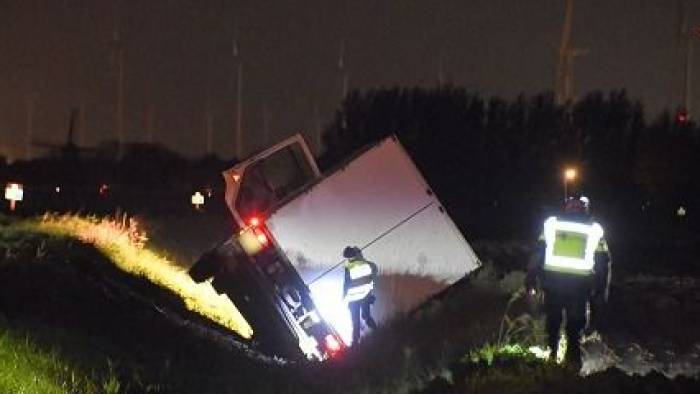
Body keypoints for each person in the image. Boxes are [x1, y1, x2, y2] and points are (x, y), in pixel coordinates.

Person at [525, 196, 612, 370]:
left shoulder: (551, 224)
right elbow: (603, 262)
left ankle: (551, 357)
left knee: (553, 321)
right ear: (585, 209)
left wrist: (531, 276)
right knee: (575, 324)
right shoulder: (594, 229)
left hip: (553, 282)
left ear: (565, 208)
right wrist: (600, 289)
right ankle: (572, 362)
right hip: (579, 286)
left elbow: (538, 252)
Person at [342, 246, 378, 345]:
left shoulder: (362, 265)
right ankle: (355, 342)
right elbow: (347, 282)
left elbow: (347, 282)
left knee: (362, 318)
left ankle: (357, 342)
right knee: (360, 319)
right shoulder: (357, 265)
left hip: (360, 297)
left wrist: (344, 295)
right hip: (357, 298)